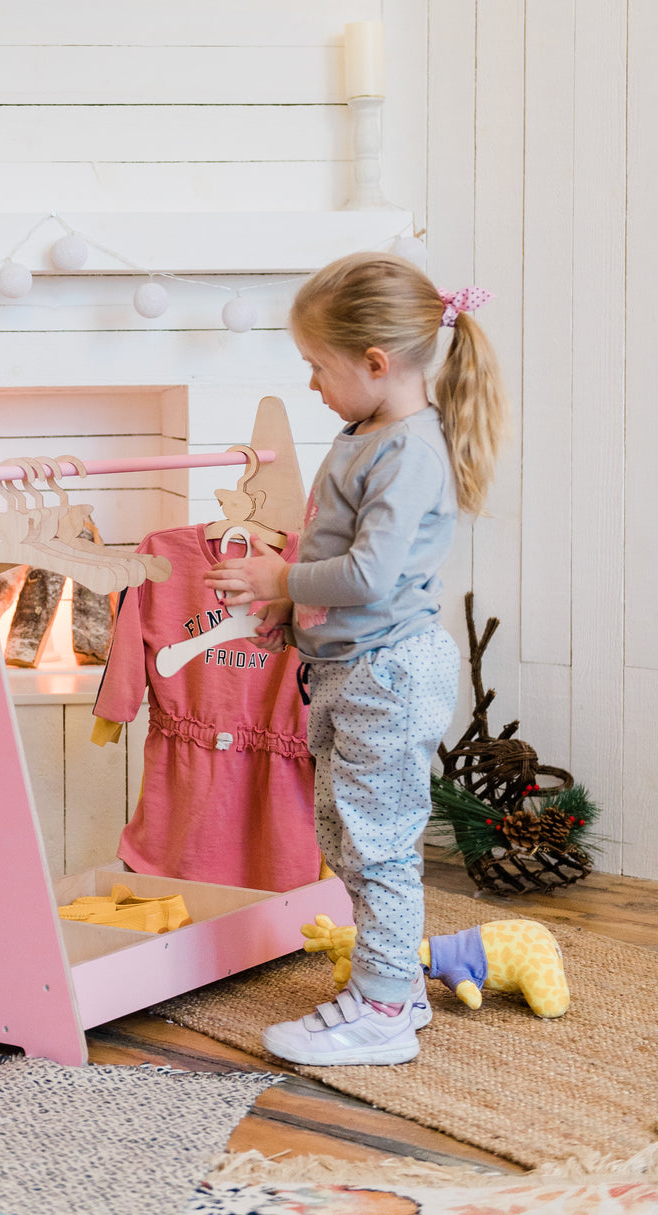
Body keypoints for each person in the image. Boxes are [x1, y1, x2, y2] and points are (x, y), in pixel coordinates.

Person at [204, 252, 507, 1067]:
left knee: (380, 845)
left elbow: (369, 577)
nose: (311, 384)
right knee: (348, 836)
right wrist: (290, 615)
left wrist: (280, 578)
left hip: (388, 675)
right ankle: (394, 984)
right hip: (355, 669)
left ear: (375, 362)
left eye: (317, 366)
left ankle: (382, 1011)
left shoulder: (409, 451)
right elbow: (340, 562)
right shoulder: (366, 434)